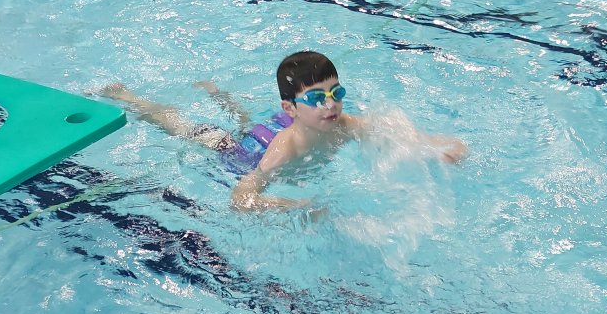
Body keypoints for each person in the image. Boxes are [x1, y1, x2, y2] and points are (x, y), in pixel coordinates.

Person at [100, 51, 467, 212]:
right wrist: (298, 206)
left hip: (276, 125)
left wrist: (436, 148)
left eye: (336, 93)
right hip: (241, 153)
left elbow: (393, 134)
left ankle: (219, 94)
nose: (330, 105)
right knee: (185, 127)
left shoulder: (343, 124)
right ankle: (127, 97)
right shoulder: (283, 151)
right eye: (317, 98)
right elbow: (241, 199)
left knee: (243, 117)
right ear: (291, 108)